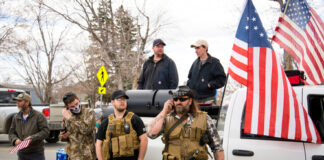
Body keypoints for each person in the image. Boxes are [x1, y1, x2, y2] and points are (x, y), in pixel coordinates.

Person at [147, 86, 224, 160]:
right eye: (175, 99)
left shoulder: (204, 119)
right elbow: (151, 134)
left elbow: (217, 148)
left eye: (182, 99)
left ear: (190, 101)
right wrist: (164, 111)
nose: (178, 102)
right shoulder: (166, 118)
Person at [96, 90, 148, 160]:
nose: (122, 101)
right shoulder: (106, 122)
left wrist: (140, 159)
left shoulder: (134, 119)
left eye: (124, 99)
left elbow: (144, 139)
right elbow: (99, 143)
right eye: (119, 99)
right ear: (112, 102)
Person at [9, 93, 50, 160]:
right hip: (22, 153)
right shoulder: (16, 117)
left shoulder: (38, 116)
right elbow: (11, 133)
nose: (17, 103)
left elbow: (45, 132)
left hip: (36, 153)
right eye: (17, 101)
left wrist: (32, 138)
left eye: (20, 101)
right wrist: (15, 140)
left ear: (27, 102)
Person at [187, 40, 226, 104]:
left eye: (198, 48)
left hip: (209, 100)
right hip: (195, 101)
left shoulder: (215, 63)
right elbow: (189, 79)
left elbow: (222, 79)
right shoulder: (194, 63)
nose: (196, 51)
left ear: (205, 48)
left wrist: (210, 84)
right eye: (195, 48)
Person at [60, 92, 96, 160]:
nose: (76, 107)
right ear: (67, 106)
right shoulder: (66, 115)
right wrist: (63, 136)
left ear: (78, 99)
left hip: (88, 155)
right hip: (73, 155)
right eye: (72, 106)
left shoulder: (89, 112)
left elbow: (86, 130)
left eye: (76, 104)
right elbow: (62, 136)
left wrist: (71, 118)